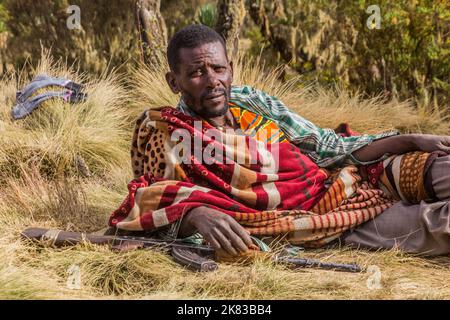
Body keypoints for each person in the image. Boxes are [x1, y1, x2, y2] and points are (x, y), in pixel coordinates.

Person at [115, 24, 450, 257]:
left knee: (443, 165)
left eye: (218, 69)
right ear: (174, 81)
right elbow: (150, 200)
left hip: (353, 175)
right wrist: (194, 214)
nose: (213, 81)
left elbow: (326, 146)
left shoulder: (253, 102)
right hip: (321, 220)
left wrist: (410, 140)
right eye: (197, 73)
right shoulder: (167, 135)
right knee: (442, 224)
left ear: (230, 68)